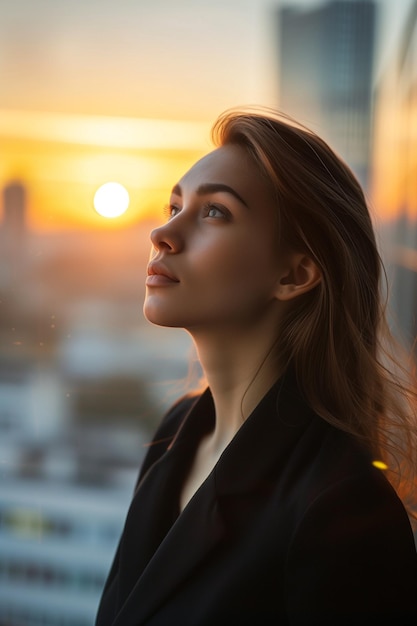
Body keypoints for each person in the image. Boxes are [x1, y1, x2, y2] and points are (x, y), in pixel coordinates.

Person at [95, 108, 417, 625]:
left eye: (215, 212)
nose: (163, 232)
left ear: (295, 274)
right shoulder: (178, 429)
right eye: (174, 205)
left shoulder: (342, 507)